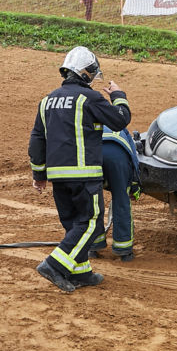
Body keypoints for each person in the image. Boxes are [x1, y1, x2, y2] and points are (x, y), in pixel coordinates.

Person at [28, 47, 131, 292]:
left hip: (58, 177)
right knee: (91, 223)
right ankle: (53, 265)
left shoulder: (47, 101)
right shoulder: (89, 98)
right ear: (84, 72)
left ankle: (81, 272)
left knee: (74, 225)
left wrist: (39, 174)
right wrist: (119, 96)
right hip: (84, 176)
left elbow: (37, 139)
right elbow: (120, 120)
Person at [90, 126, 141, 262]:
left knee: (93, 201)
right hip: (119, 158)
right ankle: (124, 251)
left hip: (93, 154)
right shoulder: (121, 127)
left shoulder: (88, 121)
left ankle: (93, 247)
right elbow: (134, 158)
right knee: (121, 202)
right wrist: (134, 185)